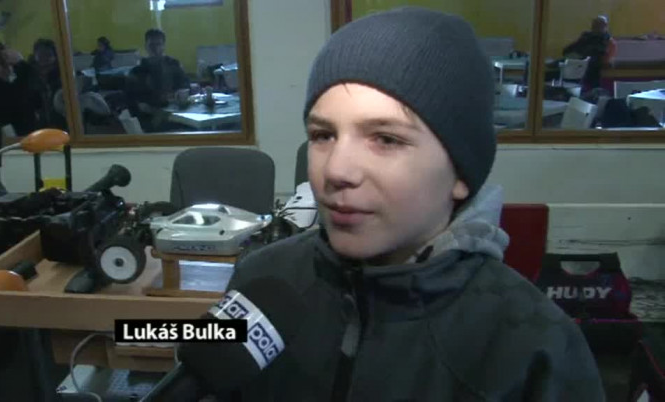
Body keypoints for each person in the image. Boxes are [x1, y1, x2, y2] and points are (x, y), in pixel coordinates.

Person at [223, 7, 605, 401]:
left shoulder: (537, 348)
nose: (336, 170)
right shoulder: (259, 279)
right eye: (323, 135)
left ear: (460, 172)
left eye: (386, 139)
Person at [125, 28, 190, 109]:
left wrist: (180, 93)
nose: (155, 48)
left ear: (163, 46)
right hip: (148, 110)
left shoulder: (173, 64)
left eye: (158, 44)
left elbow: (185, 84)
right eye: (151, 45)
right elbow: (131, 97)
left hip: (173, 107)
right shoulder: (138, 71)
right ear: (146, 46)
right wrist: (140, 104)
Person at [562, 15, 617, 91]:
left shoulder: (607, 40)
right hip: (580, 59)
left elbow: (604, 54)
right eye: (594, 24)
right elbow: (573, 46)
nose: (595, 26)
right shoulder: (586, 36)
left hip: (594, 63)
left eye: (599, 24)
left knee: (590, 64)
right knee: (566, 63)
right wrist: (569, 52)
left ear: (605, 26)